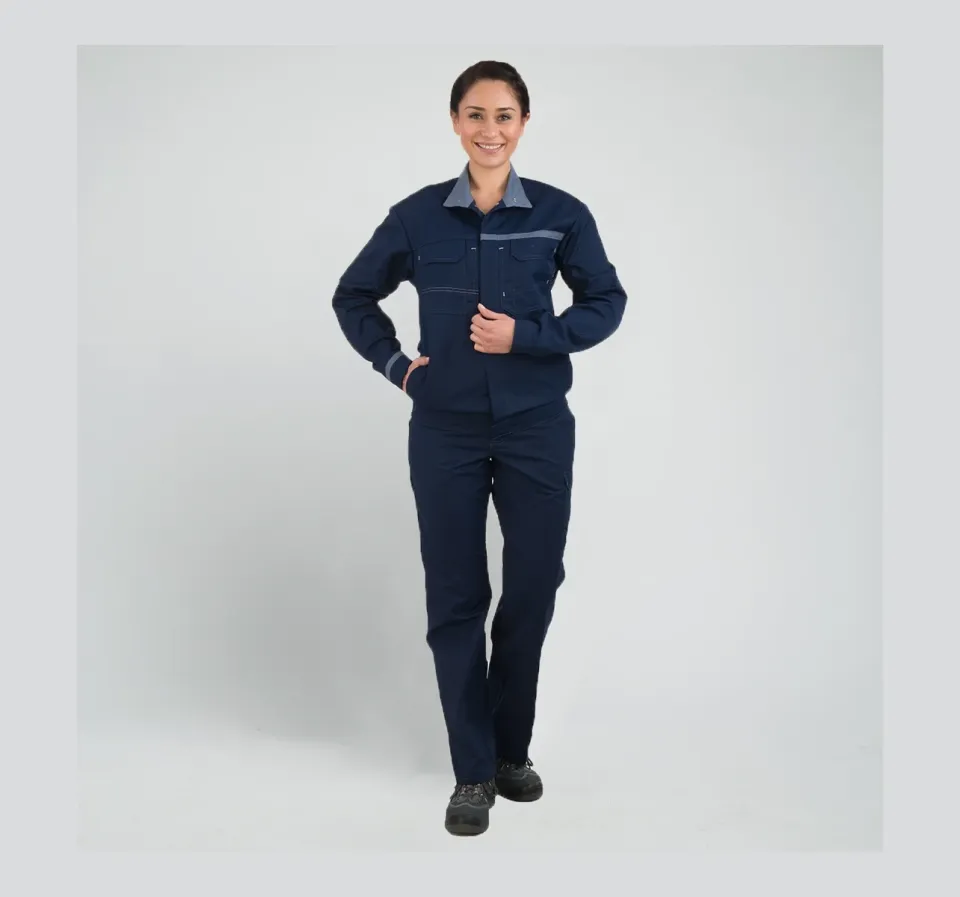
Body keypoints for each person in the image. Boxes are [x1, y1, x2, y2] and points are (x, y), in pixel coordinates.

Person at [332, 60, 627, 836]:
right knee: (457, 595)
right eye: (474, 114)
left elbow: (606, 301)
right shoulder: (416, 217)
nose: (489, 130)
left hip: (536, 425)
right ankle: (472, 771)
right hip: (446, 429)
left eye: (503, 115)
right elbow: (353, 295)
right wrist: (399, 368)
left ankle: (509, 749)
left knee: (534, 583)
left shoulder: (561, 214)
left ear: (523, 123)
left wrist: (526, 335)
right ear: (455, 122)